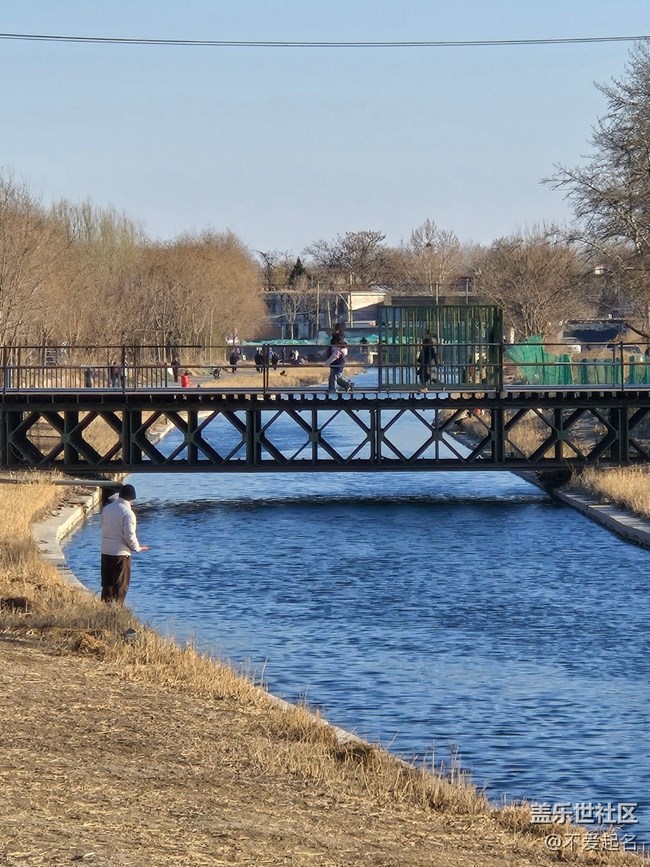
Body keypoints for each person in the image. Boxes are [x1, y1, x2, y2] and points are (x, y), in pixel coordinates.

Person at [100, 484, 148, 603]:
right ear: (131, 499)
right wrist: (137, 548)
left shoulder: (107, 509)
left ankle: (104, 610)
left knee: (107, 585)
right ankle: (118, 612)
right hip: (121, 555)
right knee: (120, 587)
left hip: (105, 552)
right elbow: (129, 535)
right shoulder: (128, 513)